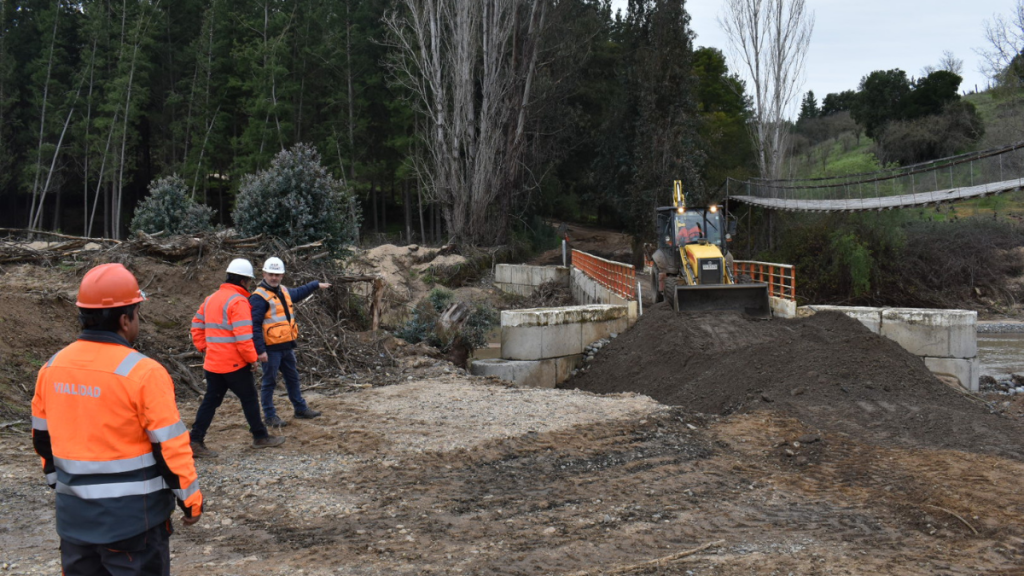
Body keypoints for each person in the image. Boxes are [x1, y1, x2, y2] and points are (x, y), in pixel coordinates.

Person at [31, 263, 203, 576]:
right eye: (137, 313)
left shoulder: (51, 368)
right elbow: (170, 446)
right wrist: (190, 500)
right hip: (133, 524)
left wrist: (60, 484)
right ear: (125, 320)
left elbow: (43, 440)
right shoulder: (144, 373)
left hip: (74, 521)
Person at [189, 258, 285, 455]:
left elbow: (196, 325)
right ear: (245, 281)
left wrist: (203, 347)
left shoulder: (211, 298)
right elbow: (243, 337)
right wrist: (252, 359)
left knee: (210, 401)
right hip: (234, 364)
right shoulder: (238, 302)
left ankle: (196, 440)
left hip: (213, 363)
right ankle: (260, 437)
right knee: (249, 398)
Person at [251, 256, 331, 427]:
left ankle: (300, 409)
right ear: (264, 273)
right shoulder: (259, 297)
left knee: (292, 378)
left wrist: (315, 285)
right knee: (269, 382)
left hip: (287, 346)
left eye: (277, 275)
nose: (274, 277)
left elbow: (299, 292)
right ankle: (270, 416)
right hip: (270, 348)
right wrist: (260, 350)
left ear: (282, 276)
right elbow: (254, 326)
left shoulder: (284, 291)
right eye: (271, 274)